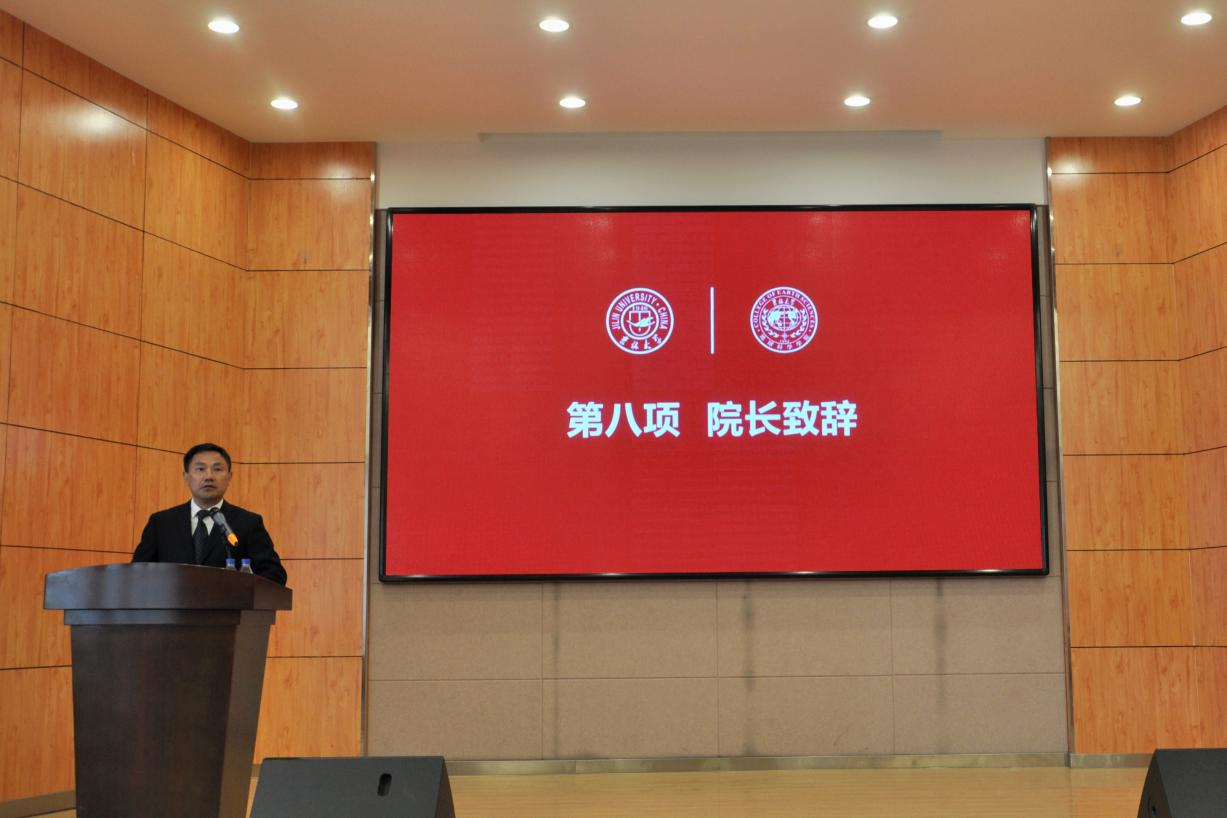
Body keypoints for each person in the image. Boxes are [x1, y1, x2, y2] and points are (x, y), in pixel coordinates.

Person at [132, 442, 287, 585]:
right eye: (200, 469)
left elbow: (274, 575)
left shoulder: (248, 523)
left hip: (228, 606)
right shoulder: (161, 523)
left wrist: (239, 587)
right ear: (186, 477)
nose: (209, 476)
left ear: (229, 477)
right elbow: (136, 575)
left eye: (217, 469)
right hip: (171, 606)